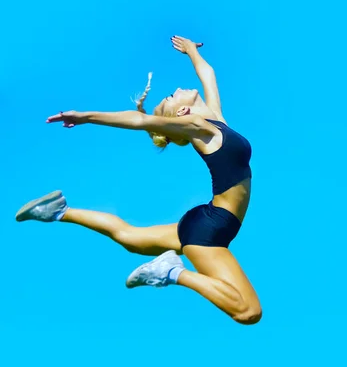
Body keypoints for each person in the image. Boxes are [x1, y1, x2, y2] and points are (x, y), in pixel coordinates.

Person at [15, 36, 262, 325]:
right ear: (182, 113)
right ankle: (173, 272)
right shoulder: (198, 126)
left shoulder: (216, 119)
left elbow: (208, 74)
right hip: (211, 228)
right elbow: (140, 121)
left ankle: (57, 210)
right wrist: (86, 116)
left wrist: (192, 51)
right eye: (172, 96)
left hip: (207, 219)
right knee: (248, 312)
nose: (177, 90)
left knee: (131, 238)